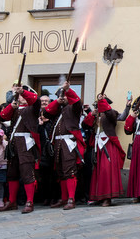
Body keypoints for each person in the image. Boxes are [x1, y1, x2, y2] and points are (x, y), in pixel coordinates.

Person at [0, 85, 41, 214]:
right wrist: (11, 105)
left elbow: (36, 101)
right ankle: (12, 201)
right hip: (14, 143)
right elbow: (3, 116)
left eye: (23, 95)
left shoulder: (33, 108)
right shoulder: (14, 108)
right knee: (12, 173)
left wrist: (23, 91)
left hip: (25, 143)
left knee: (27, 173)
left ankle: (29, 201)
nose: (21, 97)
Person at [43, 82, 86, 210]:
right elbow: (46, 113)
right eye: (62, 96)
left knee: (69, 170)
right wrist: (57, 102)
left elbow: (77, 102)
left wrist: (68, 90)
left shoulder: (74, 108)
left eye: (65, 96)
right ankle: (63, 198)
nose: (64, 98)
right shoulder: (57, 110)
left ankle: (71, 199)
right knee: (60, 171)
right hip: (58, 144)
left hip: (68, 143)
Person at [83, 94, 125, 207]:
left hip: (108, 144)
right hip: (97, 145)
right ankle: (98, 196)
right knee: (97, 172)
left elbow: (118, 116)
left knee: (107, 170)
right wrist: (91, 114)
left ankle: (107, 197)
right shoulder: (96, 114)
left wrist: (105, 105)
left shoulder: (112, 113)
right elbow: (86, 125)